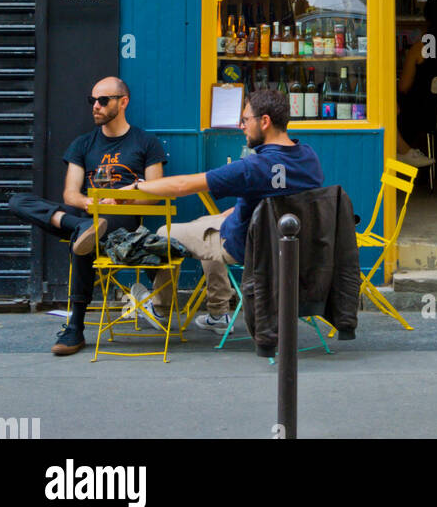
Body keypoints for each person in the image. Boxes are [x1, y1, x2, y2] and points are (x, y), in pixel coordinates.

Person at [135, 89, 323, 335]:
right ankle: (218, 312)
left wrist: (138, 185)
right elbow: (280, 198)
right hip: (287, 244)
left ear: (264, 122)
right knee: (206, 222)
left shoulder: (253, 166)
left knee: (166, 232)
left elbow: (183, 186)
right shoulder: (309, 157)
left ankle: (160, 310)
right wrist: (238, 209)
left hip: (246, 245)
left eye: (245, 120)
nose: (241, 126)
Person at [7, 77, 166, 357]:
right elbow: (70, 194)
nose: (96, 106)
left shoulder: (146, 142)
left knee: (86, 238)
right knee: (18, 200)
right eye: (92, 100)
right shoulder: (83, 144)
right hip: (87, 214)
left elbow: (155, 193)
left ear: (123, 102)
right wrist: (89, 206)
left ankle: (75, 328)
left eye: (103, 101)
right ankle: (81, 227)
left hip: (122, 221)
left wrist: (120, 198)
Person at [397, 0, 437, 165]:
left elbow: (403, 87)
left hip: (423, 116)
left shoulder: (423, 47)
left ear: (428, 19)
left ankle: (403, 151)